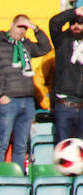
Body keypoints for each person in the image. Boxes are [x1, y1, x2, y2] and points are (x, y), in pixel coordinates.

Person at [0, 15, 51, 170]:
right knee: (2, 143)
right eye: (20, 27)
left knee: (21, 145)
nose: (22, 31)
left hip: (27, 101)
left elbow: (45, 47)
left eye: (25, 28)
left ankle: (18, 178)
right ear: (12, 25)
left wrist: (35, 28)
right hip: (8, 101)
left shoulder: (25, 45)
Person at [50, 7, 83, 143]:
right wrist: (74, 12)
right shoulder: (62, 40)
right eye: (72, 23)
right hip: (65, 105)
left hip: (82, 106)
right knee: (63, 147)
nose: (76, 26)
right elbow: (54, 23)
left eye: (80, 23)